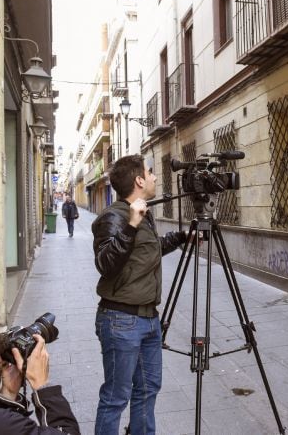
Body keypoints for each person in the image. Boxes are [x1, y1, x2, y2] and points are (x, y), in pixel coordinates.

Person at [91, 154, 186, 435]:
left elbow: (147, 249)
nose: (155, 177)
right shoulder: (113, 217)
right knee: (116, 397)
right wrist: (131, 225)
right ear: (139, 180)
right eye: (151, 172)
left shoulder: (142, 214)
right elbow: (106, 264)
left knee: (148, 389)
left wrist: (181, 239)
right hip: (121, 321)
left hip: (148, 320)